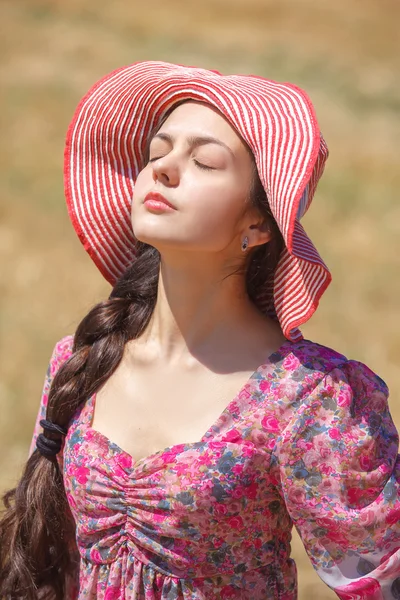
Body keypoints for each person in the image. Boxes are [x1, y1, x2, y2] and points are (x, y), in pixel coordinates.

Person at [0, 61, 399, 600]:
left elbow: (381, 582)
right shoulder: (84, 358)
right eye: (156, 153)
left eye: (204, 161)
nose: (163, 169)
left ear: (258, 223)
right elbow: (49, 556)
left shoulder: (310, 399)